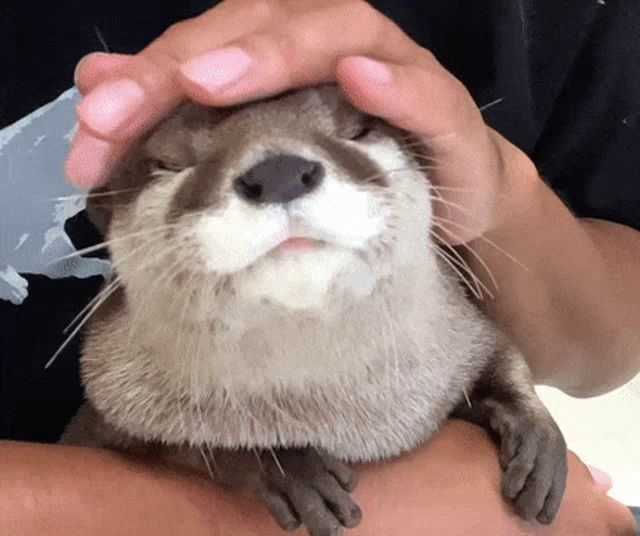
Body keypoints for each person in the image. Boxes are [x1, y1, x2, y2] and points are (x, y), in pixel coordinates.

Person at [1, 1, 638, 534]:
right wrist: (221, 513)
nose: (280, 181)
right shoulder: (136, 374)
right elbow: (122, 423)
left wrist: (506, 200)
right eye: (175, 166)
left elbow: (589, 338)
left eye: (356, 137)